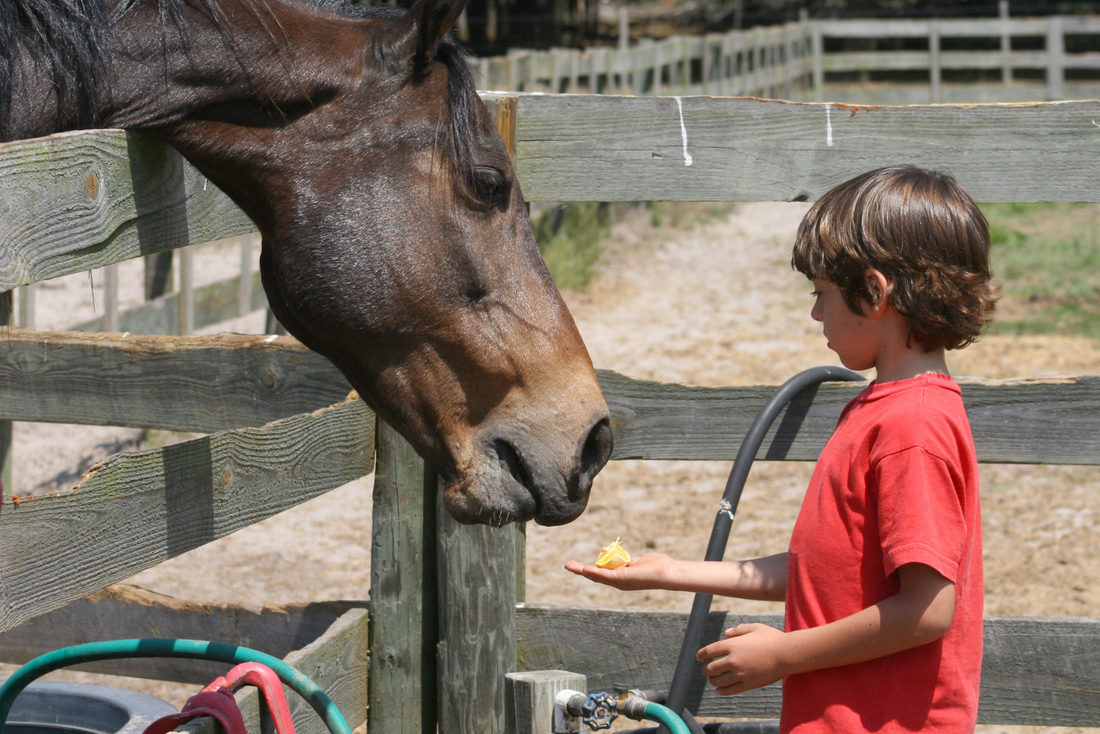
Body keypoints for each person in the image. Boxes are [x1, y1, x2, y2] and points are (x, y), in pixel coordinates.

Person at [565, 166, 996, 733]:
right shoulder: (884, 410)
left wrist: (784, 654)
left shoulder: (912, 429)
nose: (815, 313)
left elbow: (926, 611)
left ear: (874, 292)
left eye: (822, 294)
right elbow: (827, 574)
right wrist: (672, 572)